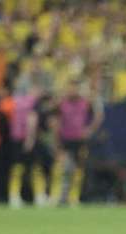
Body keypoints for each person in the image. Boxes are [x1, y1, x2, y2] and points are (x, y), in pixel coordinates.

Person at [50, 78, 104, 206]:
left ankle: (73, 198)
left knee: (78, 170)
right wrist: (56, 140)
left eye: (75, 88)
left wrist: (90, 129)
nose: (72, 90)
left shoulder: (85, 103)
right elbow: (54, 121)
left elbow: (99, 115)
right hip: (65, 140)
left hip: (79, 140)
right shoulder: (61, 103)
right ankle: (57, 196)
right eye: (70, 87)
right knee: (63, 168)